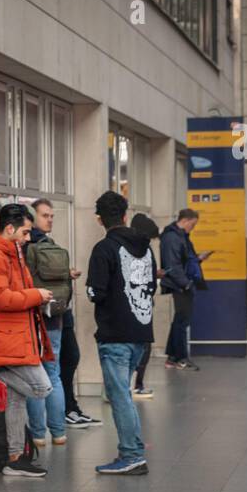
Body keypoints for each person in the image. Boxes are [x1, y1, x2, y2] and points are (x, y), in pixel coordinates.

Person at [0, 203, 54, 477]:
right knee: (42, 388)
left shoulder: (11, 252)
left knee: (16, 403)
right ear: (9, 228)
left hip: (14, 336)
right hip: (4, 340)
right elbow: (2, 298)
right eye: (26, 232)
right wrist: (37, 296)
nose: (28, 237)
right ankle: (0, 374)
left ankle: (15, 457)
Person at [86, 192, 156, 475]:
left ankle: (131, 455)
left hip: (115, 335)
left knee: (120, 397)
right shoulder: (147, 248)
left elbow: (95, 292)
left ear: (100, 219)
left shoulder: (103, 249)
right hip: (141, 334)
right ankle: (132, 452)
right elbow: (151, 287)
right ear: (125, 215)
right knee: (124, 394)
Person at [23, 198, 73, 446]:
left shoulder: (25, 246)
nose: (50, 219)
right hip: (55, 319)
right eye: (45, 215)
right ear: (33, 218)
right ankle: (59, 432)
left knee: (36, 375)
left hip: (33, 319)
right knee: (53, 374)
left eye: (52, 215)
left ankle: (38, 434)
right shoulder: (50, 246)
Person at [160, 207, 208, 371]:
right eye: (193, 225)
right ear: (185, 220)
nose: (192, 228)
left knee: (180, 320)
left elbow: (184, 260)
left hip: (182, 283)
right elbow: (173, 264)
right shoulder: (173, 237)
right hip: (180, 285)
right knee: (182, 321)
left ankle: (173, 357)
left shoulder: (180, 237)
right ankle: (180, 357)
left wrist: (198, 259)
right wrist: (185, 283)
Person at [129, 213, 161, 399]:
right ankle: (136, 384)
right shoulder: (143, 250)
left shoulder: (128, 248)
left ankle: (135, 384)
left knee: (141, 346)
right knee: (143, 345)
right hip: (141, 303)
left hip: (138, 302)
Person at [59, 308, 102, 428]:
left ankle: (71, 407)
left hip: (63, 314)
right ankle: (66, 410)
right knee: (65, 362)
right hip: (51, 315)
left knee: (70, 358)